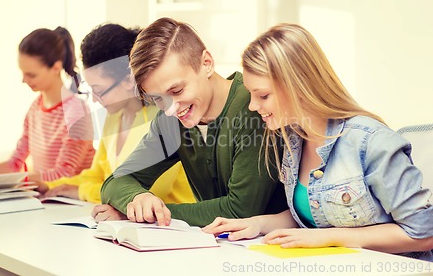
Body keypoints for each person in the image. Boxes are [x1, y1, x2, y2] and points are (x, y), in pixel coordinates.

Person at [202, 23, 433, 261]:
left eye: (263, 95)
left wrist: (328, 238)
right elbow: (315, 212)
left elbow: (423, 233)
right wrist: (257, 224)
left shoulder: (370, 140)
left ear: (297, 86)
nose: (252, 106)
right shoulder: (293, 139)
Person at [99, 17, 287, 227]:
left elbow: (240, 210)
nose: (170, 109)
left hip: (270, 249)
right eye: (157, 99)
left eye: (176, 91)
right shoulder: (171, 120)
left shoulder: (254, 108)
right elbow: (115, 182)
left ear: (206, 63)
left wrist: (153, 213)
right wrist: (138, 200)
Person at [38, 23, 195, 208]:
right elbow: (97, 174)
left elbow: (146, 191)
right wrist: (49, 186)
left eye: (100, 91)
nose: (95, 101)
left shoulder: (165, 118)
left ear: (129, 80)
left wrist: (81, 191)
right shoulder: (114, 116)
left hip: (176, 228)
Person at [0, 27, 96, 183]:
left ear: (56, 68)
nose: (23, 80)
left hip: (71, 202)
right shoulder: (35, 108)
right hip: (45, 201)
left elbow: (62, 175)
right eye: (22, 72)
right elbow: (15, 163)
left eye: (31, 74)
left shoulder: (77, 112)